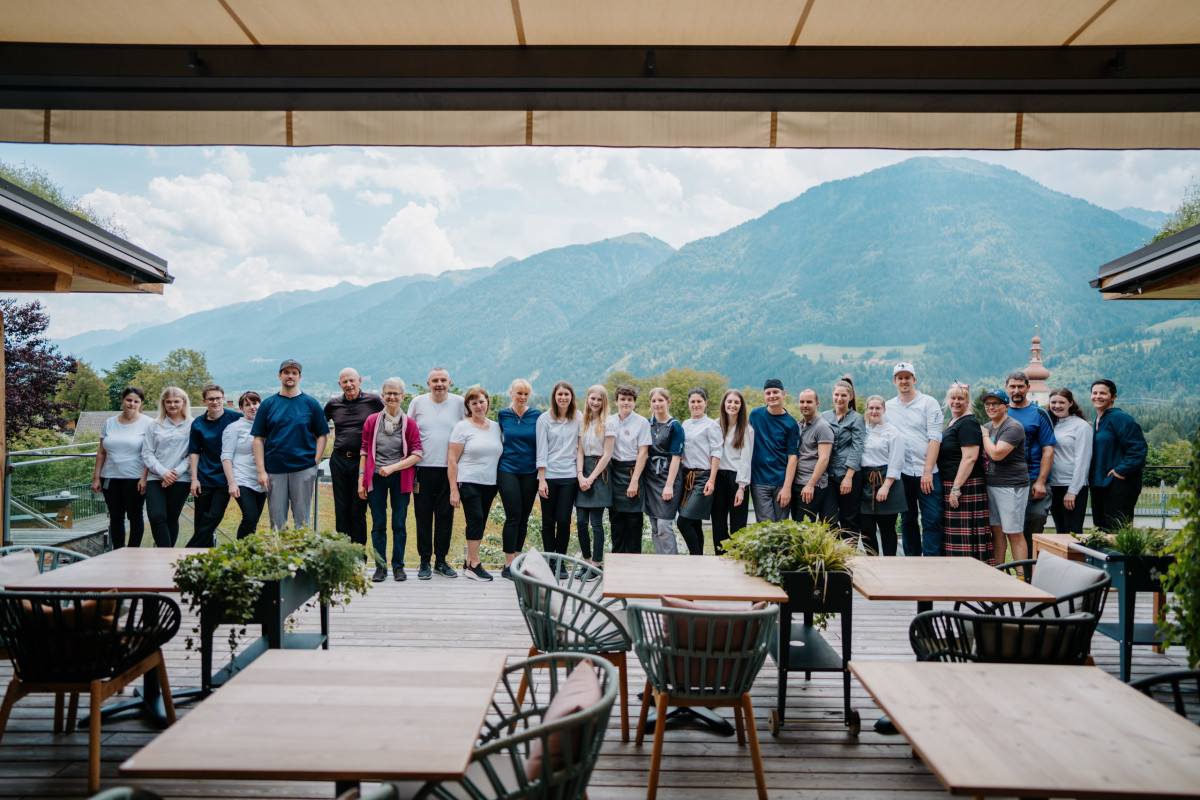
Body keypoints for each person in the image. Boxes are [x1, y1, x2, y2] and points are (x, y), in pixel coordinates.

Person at [252, 359, 330, 531]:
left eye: (294, 373)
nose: (290, 376)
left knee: (302, 522)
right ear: (279, 376)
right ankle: (280, 556)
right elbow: (258, 439)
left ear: (299, 377)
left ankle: (302, 557)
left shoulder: (311, 404)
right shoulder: (268, 404)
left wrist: (315, 460)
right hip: (274, 469)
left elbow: (322, 435)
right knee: (277, 522)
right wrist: (261, 470)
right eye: (286, 372)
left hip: (303, 468)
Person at [358, 378, 423, 582]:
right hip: (375, 478)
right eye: (389, 393)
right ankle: (380, 567)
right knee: (378, 523)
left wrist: (393, 467)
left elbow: (417, 453)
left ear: (403, 397)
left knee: (399, 523)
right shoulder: (371, 421)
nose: (392, 397)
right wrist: (361, 478)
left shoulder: (409, 424)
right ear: (382, 396)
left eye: (396, 393)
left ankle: (398, 566)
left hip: (400, 478)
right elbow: (364, 450)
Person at [409, 367, 466, 579]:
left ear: (450, 383)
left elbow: (467, 429)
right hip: (422, 468)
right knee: (422, 516)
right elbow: (409, 430)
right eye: (435, 380)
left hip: (449, 470)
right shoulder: (418, 402)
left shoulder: (459, 402)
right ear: (428, 383)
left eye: (443, 380)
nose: (439, 384)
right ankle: (424, 561)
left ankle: (441, 561)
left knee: (445, 516)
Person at [885, 362, 943, 557]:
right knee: (907, 519)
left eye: (907, 377)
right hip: (902, 472)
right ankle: (912, 561)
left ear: (914, 380)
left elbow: (934, 437)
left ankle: (932, 561)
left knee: (932, 519)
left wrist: (927, 471)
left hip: (927, 472)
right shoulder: (888, 407)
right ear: (894, 382)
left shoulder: (929, 403)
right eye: (900, 378)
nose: (904, 381)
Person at [449, 387, 504, 581]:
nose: (479, 406)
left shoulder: (497, 427)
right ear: (468, 407)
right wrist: (453, 489)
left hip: (490, 483)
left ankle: (468, 563)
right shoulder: (462, 427)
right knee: (476, 520)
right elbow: (452, 460)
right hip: (468, 481)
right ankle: (474, 564)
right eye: (474, 403)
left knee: (480, 523)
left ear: (487, 402)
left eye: (481, 401)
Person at [324, 367, 383, 548]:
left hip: (362, 461)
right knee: (341, 510)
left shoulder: (373, 401)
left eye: (352, 381)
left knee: (358, 509)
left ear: (359, 380)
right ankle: (343, 554)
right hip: (339, 460)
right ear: (339, 384)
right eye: (344, 382)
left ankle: (359, 555)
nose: (349, 385)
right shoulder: (333, 404)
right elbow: (318, 429)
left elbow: (388, 422)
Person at [91, 386, 154, 549]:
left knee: (135, 515)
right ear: (122, 400)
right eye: (129, 400)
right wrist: (96, 478)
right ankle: (118, 550)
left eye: (136, 401)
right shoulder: (110, 422)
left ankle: (133, 551)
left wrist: (145, 477)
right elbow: (101, 452)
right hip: (110, 477)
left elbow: (151, 453)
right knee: (116, 516)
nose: (132, 404)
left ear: (141, 404)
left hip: (135, 478)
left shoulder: (148, 424)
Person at [1005, 371, 1057, 557]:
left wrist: (1042, 481)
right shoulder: (1001, 412)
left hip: (1034, 480)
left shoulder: (1039, 414)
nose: (1016, 390)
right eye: (1013, 386)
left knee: (1033, 531)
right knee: (1010, 532)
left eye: (1020, 386)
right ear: (1007, 388)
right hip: (1008, 482)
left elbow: (1048, 450)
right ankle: (1015, 574)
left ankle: (1033, 578)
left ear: (1028, 388)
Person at [938, 382, 991, 562]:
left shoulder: (968, 423)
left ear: (968, 401)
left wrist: (956, 488)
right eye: (953, 398)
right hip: (954, 484)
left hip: (965, 486)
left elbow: (970, 458)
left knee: (965, 537)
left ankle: (970, 574)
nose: (956, 402)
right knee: (955, 537)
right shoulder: (954, 421)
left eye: (961, 398)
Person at [187, 383, 243, 547]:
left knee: (214, 516)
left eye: (218, 398)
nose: (215, 402)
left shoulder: (236, 418)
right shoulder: (198, 423)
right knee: (201, 520)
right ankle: (203, 560)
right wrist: (194, 479)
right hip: (204, 476)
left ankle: (188, 551)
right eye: (211, 399)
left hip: (225, 477)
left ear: (224, 399)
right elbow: (194, 451)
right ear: (204, 401)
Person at [1089, 379, 1148, 532]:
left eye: (1103, 393)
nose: (1098, 396)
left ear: (1113, 397)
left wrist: (1121, 470)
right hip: (1099, 483)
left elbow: (1138, 448)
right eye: (1095, 393)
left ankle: (1119, 557)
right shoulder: (1098, 419)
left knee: (1118, 530)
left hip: (1119, 483)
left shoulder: (1121, 419)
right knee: (1102, 530)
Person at [497, 379, 541, 580]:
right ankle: (507, 565)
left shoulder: (537, 416)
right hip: (508, 470)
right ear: (511, 393)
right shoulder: (502, 415)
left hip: (530, 472)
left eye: (526, 394)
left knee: (523, 518)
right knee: (513, 516)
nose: (522, 397)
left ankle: (516, 560)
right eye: (519, 393)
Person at [980, 388, 1029, 567]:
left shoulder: (1013, 427)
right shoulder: (988, 426)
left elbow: (997, 454)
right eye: (987, 404)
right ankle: (998, 574)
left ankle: (1023, 578)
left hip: (1012, 486)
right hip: (992, 484)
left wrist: (984, 436)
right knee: (997, 532)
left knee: (1014, 533)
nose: (990, 407)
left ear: (1006, 406)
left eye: (995, 404)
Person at [141, 386, 193, 548]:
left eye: (176, 401)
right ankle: (166, 553)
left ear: (183, 402)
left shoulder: (193, 425)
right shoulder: (154, 425)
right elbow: (147, 453)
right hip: (156, 477)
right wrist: (164, 473)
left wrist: (175, 473)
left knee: (171, 517)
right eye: (168, 402)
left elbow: (194, 453)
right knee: (156, 516)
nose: (172, 405)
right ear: (163, 403)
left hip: (181, 478)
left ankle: (165, 555)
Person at [536, 381, 582, 561]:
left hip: (569, 476)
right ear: (554, 397)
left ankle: (561, 560)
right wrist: (541, 479)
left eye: (566, 394)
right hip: (549, 476)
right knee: (548, 521)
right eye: (560, 394)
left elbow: (580, 448)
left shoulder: (578, 417)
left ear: (571, 397)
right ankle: (550, 560)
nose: (563, 398)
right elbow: (541, 450)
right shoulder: (544, 419)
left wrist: (579, 473)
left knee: (564, 521)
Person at [858, 396, 906, 556]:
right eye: (871, 408)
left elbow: (896, 461)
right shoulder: (862, 431)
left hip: (886, 479)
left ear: (884, 410)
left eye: (878, 408)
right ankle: (873, 562)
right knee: (866, 528)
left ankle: (889, 563)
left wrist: (886, 486)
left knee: (887, 528)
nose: (874, 411)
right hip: (865, 481)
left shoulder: (892, 432)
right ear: (866, 410)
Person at [677, 388, 722, 556]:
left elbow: (716, 452)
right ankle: (699, 557)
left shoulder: (711, 425)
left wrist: (712, 480)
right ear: (689, 403)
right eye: (692, 402)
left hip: (703, 477)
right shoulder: (685, 424)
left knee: (684, 522)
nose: (696, 405)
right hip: (687, 476)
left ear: (705, 403)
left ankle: (695, 557)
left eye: (699, 401)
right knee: (694, 522)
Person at [575, 385, 614, 575]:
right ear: (587, 399)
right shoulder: (583, 421)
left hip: (600, 472)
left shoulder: (608, 423)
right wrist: (580, 475)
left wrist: (591, 478)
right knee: (581, 522)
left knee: (596, 523)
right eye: (593, 399)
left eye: (599, 399)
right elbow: (580, 451)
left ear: (604, 402)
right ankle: (586, 561)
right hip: (583, 471)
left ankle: (596, 565)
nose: (596, 403)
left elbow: (607, 455)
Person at [607, 384, 650, 554]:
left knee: (634, 523)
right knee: (616, 524)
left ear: (634, 402)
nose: (626, 403)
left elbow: (643, 453)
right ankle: (616, 566)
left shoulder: (642, 422)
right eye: (623, 399)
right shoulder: (609, 421)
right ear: (616, 401)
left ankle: (635, 568)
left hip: (634, 471)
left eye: (630, 400)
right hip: (614, 472)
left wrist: (634, 482)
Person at [749, 378, 799, 523]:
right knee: (766, 525)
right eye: (768, 393)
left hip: (781, 482)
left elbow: (793, 457)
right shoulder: (755, 415)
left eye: (775, 392)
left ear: (783, 394)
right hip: (759, 481)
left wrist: (787, 487)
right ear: (764, 396)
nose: (772, 396)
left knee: (781, 525)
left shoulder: (791, 424)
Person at [642, 387, 685, 554]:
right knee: (654, 526)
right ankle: (659, 563)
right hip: (650, 477)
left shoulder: (675, 427)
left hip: (668, 476)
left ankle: (671, 563)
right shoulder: (647, 424)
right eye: (654, 401)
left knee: (663, 525)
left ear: (668, 402)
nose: (657, 404)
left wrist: (669, 485)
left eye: (660, 400)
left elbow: (676, 457)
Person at [821, 377, 865, 537]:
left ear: (851, 397)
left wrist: (848, 477)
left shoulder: (856, 419)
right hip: (828, 476)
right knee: (828, 518)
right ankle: (834, 552)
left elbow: (857, 447)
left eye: (844, 396)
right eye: (837, 395)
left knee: (849, 518)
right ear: (832, 395)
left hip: (849, 475)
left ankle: (850, 556)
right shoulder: (825, 416)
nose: (839, 399)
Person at [711, 388, 753, 555]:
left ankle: (737, 556)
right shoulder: (715, 425)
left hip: (737, 478)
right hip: (719, 476)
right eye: (729, 401)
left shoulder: (747, 429)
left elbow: (746, 459)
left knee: (738, 524)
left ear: (741, 406)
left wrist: (741, 487)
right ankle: (720, 556)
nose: (732, 405)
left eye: (736, 402)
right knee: (718, 522)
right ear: (724, 404)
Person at [221, 392, 267, 539]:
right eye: (247, 405)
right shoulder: (234, 428)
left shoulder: (266, 426)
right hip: (242, 478)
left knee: (254, 522)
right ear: (242, 408)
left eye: (255, 403)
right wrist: (232, 483)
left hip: (261, 480)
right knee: (250, 518)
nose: (252, 407)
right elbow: (226, 457)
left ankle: (248, 556)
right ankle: (238, 553)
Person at [1047, 387, 1092, 535]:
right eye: (1053, 402)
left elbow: (1083, 461)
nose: (1057, 406)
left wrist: (1072, 491)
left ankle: (1076, 559)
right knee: (1060, 531)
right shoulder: (1050, 423)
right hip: (1053, 485)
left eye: (1062, 402)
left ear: (1070, 403)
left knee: (1073, 531)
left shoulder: (1081, 426)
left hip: (1072, 486)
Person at [792, 388, 835, 523]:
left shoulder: (822, 427)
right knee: (797, 528)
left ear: (817, 404)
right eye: (802, 402)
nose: (805, 405)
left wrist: (811, 484)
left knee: (804, 530)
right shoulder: (799, 426)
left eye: (809, 402)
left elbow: (824, 458)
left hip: (811, 486)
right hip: (797, 484)